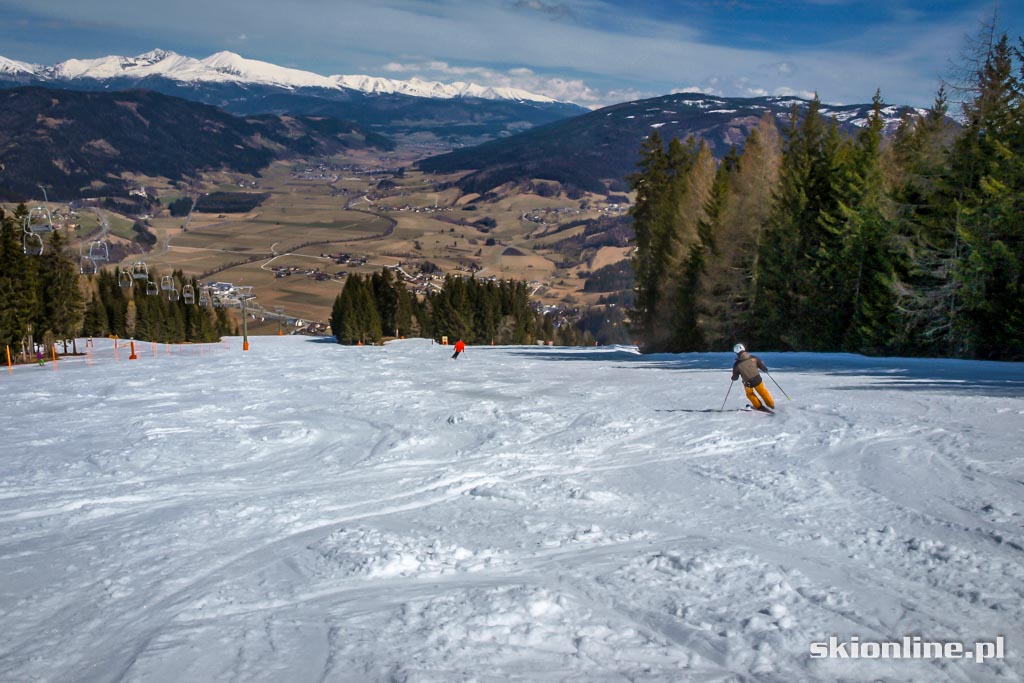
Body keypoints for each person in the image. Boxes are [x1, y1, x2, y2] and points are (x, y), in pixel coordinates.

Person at [731, 343, 774, 411]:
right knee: (763, 392)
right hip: (757, 379)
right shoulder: (753, 357)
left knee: (750, 394)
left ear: (736, 352)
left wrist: (733, 378)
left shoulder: (737, 364)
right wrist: (765, 369)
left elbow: (735, 377)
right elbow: (761, 365)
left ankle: (758, 406)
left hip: (748, 383)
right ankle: (771, 404)